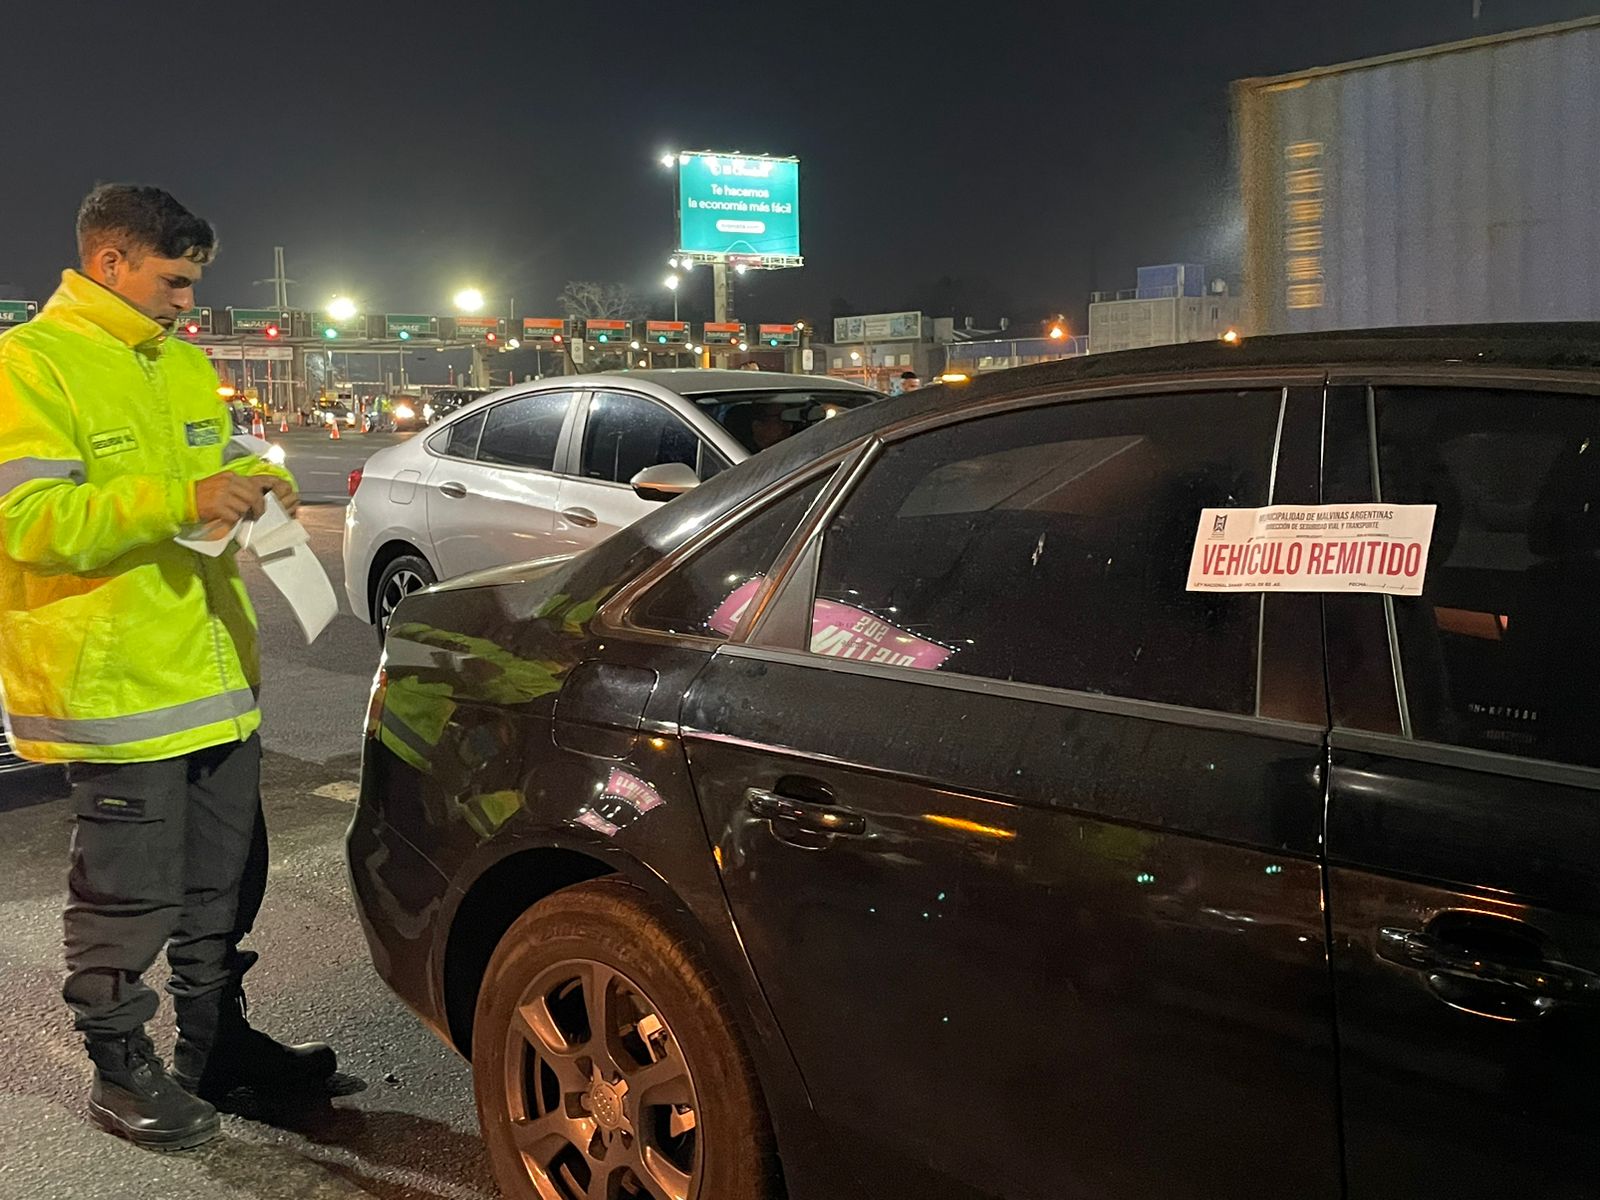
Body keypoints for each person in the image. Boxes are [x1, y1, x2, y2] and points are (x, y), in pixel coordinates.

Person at [0, 184, 337, 1151]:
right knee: (126, 892)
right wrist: (180, 495)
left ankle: (215, 1047)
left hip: (214, 674)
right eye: (174, 280)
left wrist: (254, 480)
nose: (189, 301)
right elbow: (27, 522)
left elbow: (219, 458)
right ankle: (120, 1068)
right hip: (117, 687)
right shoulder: (31, 364)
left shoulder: (181, 366)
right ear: (111, 263)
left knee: (225, 883)